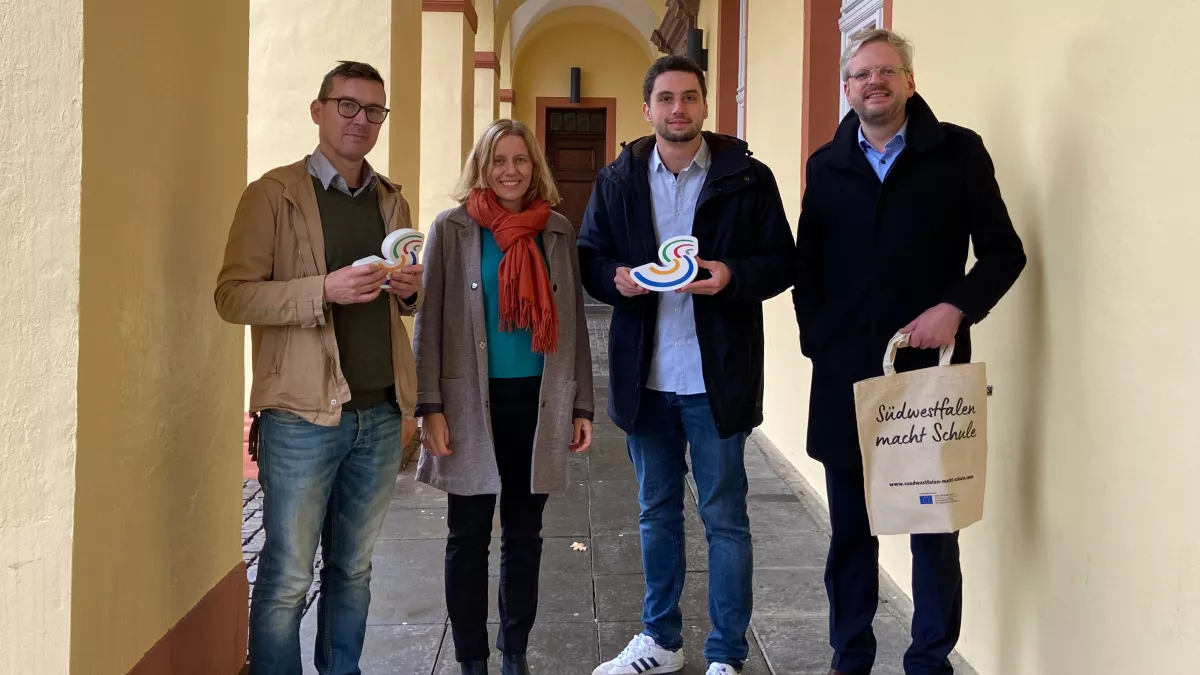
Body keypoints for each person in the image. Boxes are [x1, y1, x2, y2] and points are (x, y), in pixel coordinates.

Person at [792, 29, 1027, 675]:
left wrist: (957, 306)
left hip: (928, 382)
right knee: (850, 536)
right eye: (861, 73)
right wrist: (818, 339)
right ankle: (851, 658)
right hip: (844, 378)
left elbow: (1005, 252)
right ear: (846, 88)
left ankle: (928, 660)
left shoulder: (958, 152)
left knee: (934, 533)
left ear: (909, 81)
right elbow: (808, 266)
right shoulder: (826, 164)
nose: (875, 82)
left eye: (887, 71)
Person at [579, 56, 795, 675]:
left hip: (715, 378)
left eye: (690, 97)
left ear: (705, 106)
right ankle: (661, 641)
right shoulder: (618, 179)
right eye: (666, 98)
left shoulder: (747, 179)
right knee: (655, 511)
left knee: (724, 515)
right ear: (646, 109)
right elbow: (591, 257)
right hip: (645, 378)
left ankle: (726, 652)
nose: (679, 109)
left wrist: (731, 276)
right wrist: (615, 280)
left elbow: (781, 261)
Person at [214, 60, 423, 675]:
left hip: (379, 414)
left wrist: (411, 289)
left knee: (353, 571)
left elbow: (404, 303)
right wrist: (322, 290)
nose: (361, 120)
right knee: (285, 576)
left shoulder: (391, 197)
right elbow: (233, 296)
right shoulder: (273, 194)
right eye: (348, 106)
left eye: (374, 110)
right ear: (319, 111)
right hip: (301, 418)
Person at [412, 118, 595, 675]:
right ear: (482, 167)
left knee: (525, 534)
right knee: (466, 535)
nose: (509, 171)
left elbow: (573, 324)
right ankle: (471, 657)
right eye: (498, 161)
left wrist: (580, 405)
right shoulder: (453, 229)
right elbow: (431, 321)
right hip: (470, 405)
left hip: (538, 404)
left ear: (533, 166)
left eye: (519, 160)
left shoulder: (557, 230)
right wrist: (429, 408)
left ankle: (514, 651)